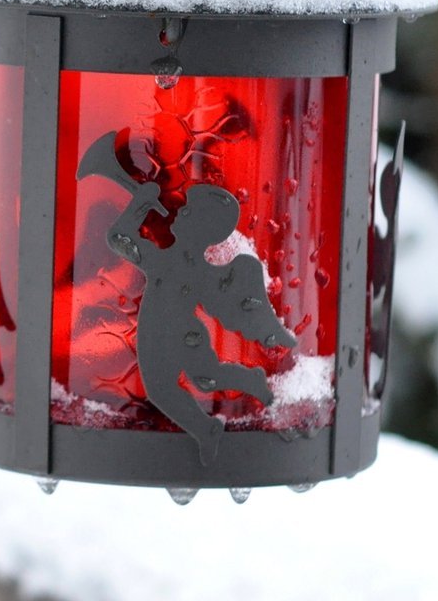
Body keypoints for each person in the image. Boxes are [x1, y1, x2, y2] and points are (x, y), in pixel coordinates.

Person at [79, 132, 296, 463]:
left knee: (184, 384)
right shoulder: (169, 259)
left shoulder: (179, 265)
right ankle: (222, 410)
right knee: (198, 380)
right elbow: (118, 237)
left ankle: (216, 418)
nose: (179, 212)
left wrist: (141, 205)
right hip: (169, 332)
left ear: (203, 228)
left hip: (178, 335)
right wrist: (139, 204)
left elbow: (119, 237)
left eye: (189, 212)